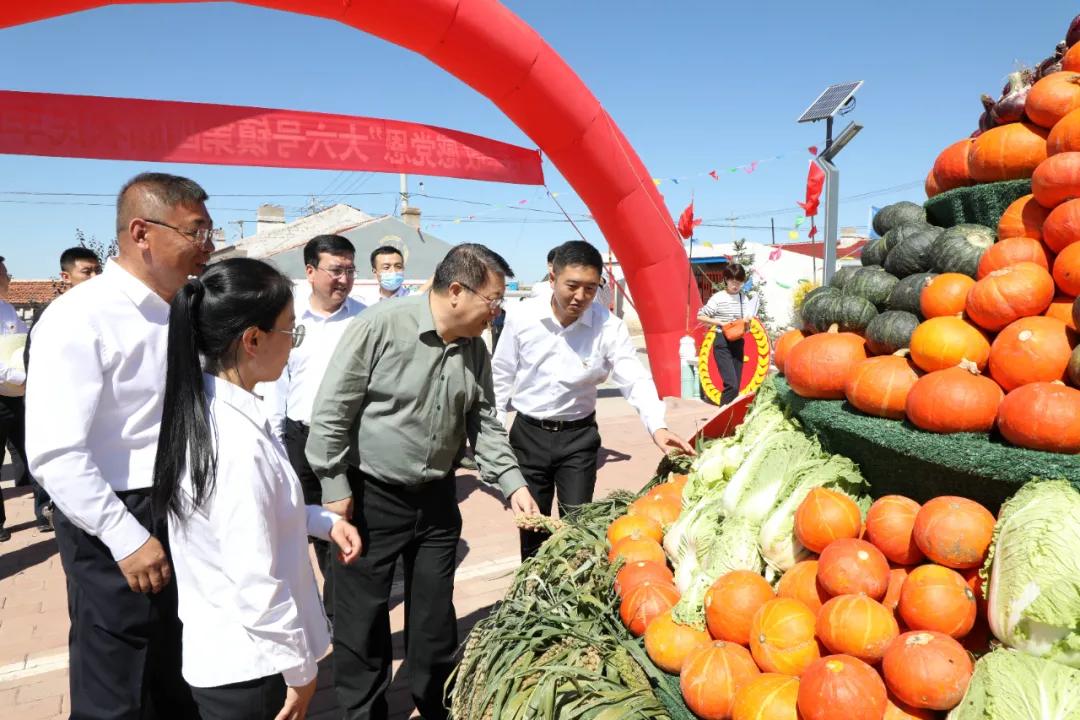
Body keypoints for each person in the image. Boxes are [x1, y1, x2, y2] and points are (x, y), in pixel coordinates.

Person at [306, 243, 540, 720]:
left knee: (434, 619)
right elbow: (331, 413)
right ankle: (362, 712)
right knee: (362, 620)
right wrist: (335, 489)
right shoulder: (380, 327)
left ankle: (434, 703)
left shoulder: (473, 346)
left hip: (436, 499)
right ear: (457, 291)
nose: (496, 313)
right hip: (370, 496)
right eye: (493, 301)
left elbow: (484, 420)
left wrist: (512, 482)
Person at [26, 171, 212, 719]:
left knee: (175, 672)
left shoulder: (182, 308)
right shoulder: (80, 318)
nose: (207, 247)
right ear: (141, 232)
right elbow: (56, 452)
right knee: (118, 685)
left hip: (177, 504)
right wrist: (125, 537)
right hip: (115, 514)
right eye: (195, 232)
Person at [152, 257, 362, 720]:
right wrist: (300, 672)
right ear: (252, 339)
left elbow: (255, 514)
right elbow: (255, 580)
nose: (292, 344)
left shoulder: (222, 410)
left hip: (241, 657)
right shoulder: (234, 441)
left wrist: (320, 521)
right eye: (291, 331)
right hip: (253, 669)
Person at [492, 240, 696, 560]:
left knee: (578, 526)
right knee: (533, 527)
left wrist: (657, 425)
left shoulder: (608, 327)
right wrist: (494, 441)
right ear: (553, 278)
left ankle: (569, 589)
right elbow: (499, 378)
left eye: (590, 288)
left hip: (578, 439)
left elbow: (634, 377)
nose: (580, 297)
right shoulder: (522, 317)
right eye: (572, 286)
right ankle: (532, 590)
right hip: (528, 437)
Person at [260, 234, 365, 583]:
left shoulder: (365, 319)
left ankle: (345, 607)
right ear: (310, 271)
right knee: (312, 524)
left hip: (352, 441)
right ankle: (330, 606)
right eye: (336, 270)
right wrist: (278, 443)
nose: (344, 279)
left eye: (350, 270)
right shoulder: (288, 320)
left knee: (349, 520)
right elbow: (278, 385)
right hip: (300, 437)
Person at [0, 256, 34, 540]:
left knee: (32, 451)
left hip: (17, 395)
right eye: (4, 273)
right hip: (8, 390)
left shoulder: (8, 310)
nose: (9, 278)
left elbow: (24, 345)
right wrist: (20, 377)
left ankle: (44, 509)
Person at [696, 263, 759, 406]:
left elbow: (747, 323)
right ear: (726, 280)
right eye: (732, 281)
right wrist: (720, 322)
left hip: (738, 341)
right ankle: (721, 416)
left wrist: (748, 321)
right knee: (731, 384)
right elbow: (700, 316)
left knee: (736, 386)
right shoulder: (718, 298)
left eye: (739, 282)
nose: (735, 285)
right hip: (722, 341)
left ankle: (728, 419)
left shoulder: (744, 298)